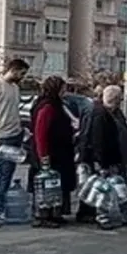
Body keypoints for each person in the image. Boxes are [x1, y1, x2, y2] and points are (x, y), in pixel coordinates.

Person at [0, 58, 29, 229]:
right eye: (22, 73)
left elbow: (14, 110)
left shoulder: (15, 88)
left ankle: (0, 208)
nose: (22, 77)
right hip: (1, 136)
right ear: (14, 70)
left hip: (15, 134)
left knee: (7, 176)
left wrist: (22, 128)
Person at [78, 83, 126, 228]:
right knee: (101, 188)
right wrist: (100, 162)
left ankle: (94, 214)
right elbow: (98, 140)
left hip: (100, 158)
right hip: (100, 159)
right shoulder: (100, 115)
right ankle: (101, 217)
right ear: (116, 100)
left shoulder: (100, 112)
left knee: (99, 187)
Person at [31, 75, 76, 228]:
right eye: (62, 88)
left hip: (59, 152)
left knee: (55, 185)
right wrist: (43, 156)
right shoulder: (48, 107)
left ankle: (54, 213)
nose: (65, 91)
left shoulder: (56, 105)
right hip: (51, 153)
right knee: (48, 185)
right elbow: (40, 133)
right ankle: (44, 215)